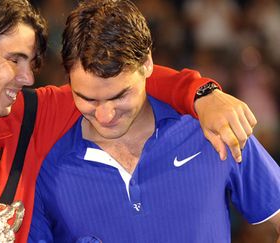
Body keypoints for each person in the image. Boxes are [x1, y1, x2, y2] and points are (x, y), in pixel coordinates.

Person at [0, 0, 257, 242]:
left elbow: (126, 80)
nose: (27, 78)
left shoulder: (32, 114)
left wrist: (203, 94)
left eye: (32, 63)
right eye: (14, 60)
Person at [28, 0, 280, 242]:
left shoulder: (213, 129)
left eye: (120, 95)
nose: (105, 115)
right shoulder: (47, 166)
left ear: (147, 63)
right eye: (87, 99)